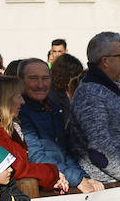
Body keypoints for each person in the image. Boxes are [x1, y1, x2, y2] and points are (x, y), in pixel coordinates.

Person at [0, 75, 80, 196]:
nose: (22, 101)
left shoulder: (5, 126)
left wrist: (54, 177)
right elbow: (12, 168)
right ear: (4, 100)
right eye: (18, 96)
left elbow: (21, 166)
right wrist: (52, 172)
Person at [69, 34, 120, 194]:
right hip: (105, 187)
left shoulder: (106, 88)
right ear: (105, 61)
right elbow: (99, 149)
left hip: (116, 182)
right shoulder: (91, 94)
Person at [16, 58, 93, 190]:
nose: (40, 84)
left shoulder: (54, 108)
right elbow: (36, 157)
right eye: (34, 78)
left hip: (64, 182)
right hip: (41, 189)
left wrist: (83, 177)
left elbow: (63, 152)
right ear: (21, 81)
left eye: (45, 78)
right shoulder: (17, 112)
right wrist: (78, 179)